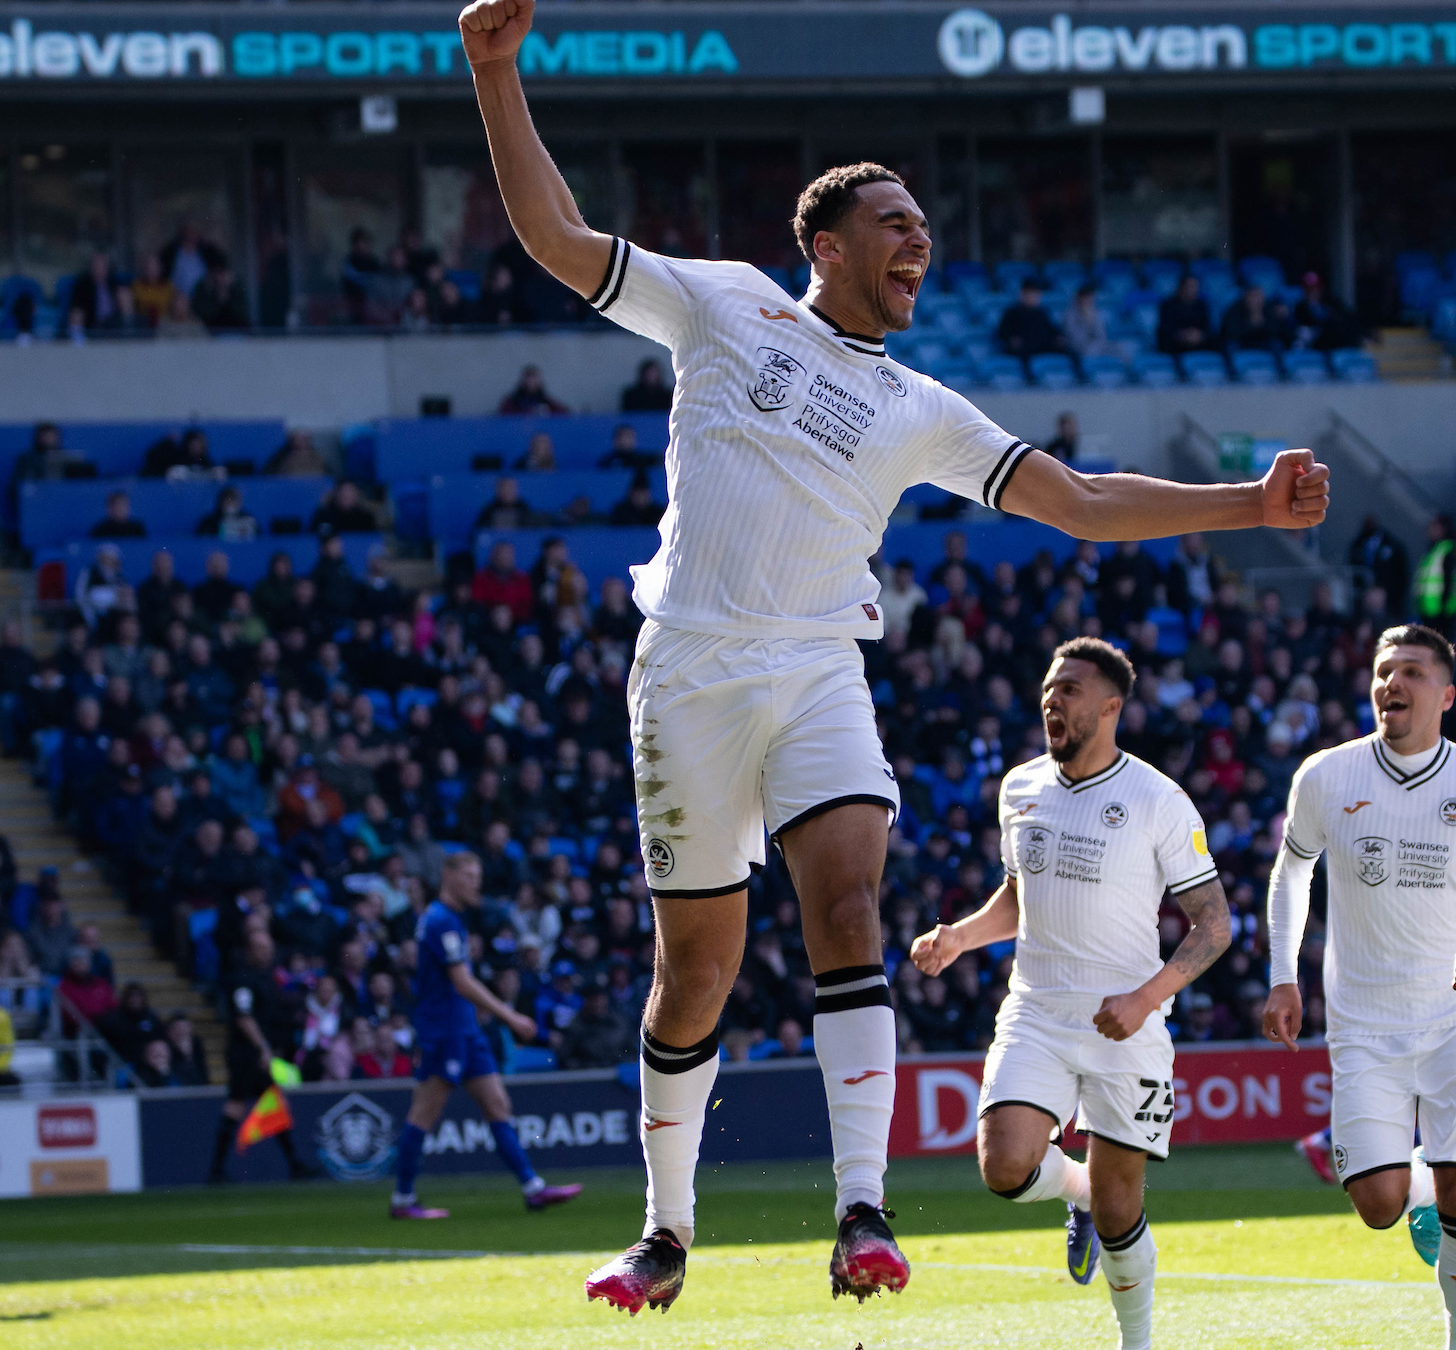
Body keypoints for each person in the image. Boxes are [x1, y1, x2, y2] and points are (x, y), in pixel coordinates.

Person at [460, 0, 1328, 1309]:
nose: (920, 237)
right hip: (689, 670)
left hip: (817, 669)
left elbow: (1083, 500)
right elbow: (553, 237)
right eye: (893, 219)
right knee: (692, 971)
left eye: (925, 224)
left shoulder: (921, 407)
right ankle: (666, 1233)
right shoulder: (728, 308)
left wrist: (1244, 505)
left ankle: (861, 1209)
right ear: (824, 242)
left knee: (850, 904)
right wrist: (494, 70)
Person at [910, 639, 1230, 1350]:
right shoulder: (1019, 787)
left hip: (1128, 1024)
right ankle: (1074, 1189)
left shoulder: (1158, 799)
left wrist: (1149, 997)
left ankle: (1136, 1341)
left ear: (1111, 707)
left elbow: (1216, 922)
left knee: (1122, 1211)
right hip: (1039, 1012)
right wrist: (960, 938)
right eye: (1050, 687)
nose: (1053, 699)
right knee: (1003, 1165)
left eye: (1072, 690)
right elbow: (1018, 898)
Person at [1261, 624, 1456, 1350]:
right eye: (1382, 671)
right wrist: (1284, 975)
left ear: (1447, 694)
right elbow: (1292, 871)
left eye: (1410, 672)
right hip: (1362, 1022)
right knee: (1377, 1203)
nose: (1391, 684)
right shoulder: (1326, 776)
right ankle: (1419, 1188)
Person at [389, 852, 583, 1219]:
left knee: (497, 1105)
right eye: (469, 875)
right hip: (443, 1030)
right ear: (448, 876)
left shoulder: (451, 920)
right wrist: (509, 1015)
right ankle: (402, 1199)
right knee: (424, 1112)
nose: (476, 882)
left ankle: (532, 1188)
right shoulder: (440, 920)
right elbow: (461, 981)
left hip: (465, 1028)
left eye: (478, 875)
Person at [210, 929, 315, 1183]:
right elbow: (244, 1018)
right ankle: (217, 1170)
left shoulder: (266, 977)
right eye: (261, 949)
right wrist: (263, 1048)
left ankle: (295, 1164)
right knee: (236, 1104)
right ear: (249, 951)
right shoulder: (243, 979)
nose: (267, 954)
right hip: (246, 1054)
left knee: (275, 1102)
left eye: (269, 949)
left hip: (260, 1052)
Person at [1155, 274, 1213, 355]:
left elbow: (1207, 326)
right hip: (1175, 343)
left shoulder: (1201, 305)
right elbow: (1165, 328)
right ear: (1181, 287)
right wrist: (1183, 335)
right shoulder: (1168, 305)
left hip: (1198, 341)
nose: (1194, 289)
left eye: (1196, 286)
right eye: (1190, 286)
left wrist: (1199, 335)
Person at [499, 363, 569, 415]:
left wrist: (546, 411)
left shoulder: (546, 401)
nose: (531, 381)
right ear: (522, 380)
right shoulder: (512, 401)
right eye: (528, 377)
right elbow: (504, 415)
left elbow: (564, 412)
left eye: (534, 377)